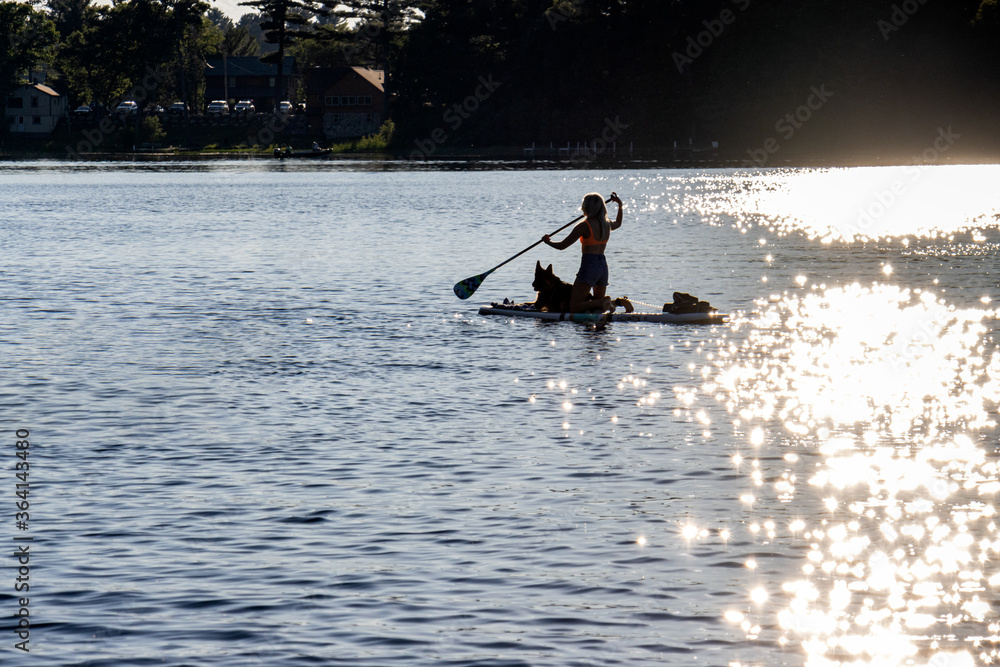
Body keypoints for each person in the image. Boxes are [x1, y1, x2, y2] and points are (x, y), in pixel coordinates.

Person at [542, 191, 624, 313]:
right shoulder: (606, 223)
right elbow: (618, 223)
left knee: (574, 307)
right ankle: (609, 304)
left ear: (587, 207)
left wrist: (548, 241)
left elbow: (562, 246)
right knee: (597, 308)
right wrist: (620, 206)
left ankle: (603, 302)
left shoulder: (584, 226)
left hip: (590, 265)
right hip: (602, 265)